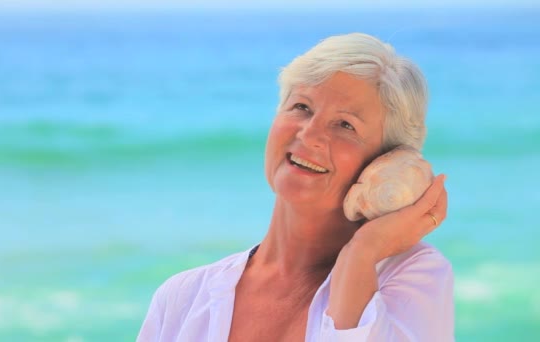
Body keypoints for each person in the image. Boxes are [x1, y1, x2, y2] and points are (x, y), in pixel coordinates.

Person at [137, 33, 453, 341]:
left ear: (387, 159)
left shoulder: (413, 276)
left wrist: (361, 254)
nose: (310, 134)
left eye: (345, 125)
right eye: (302, 107)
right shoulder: (180, 299)